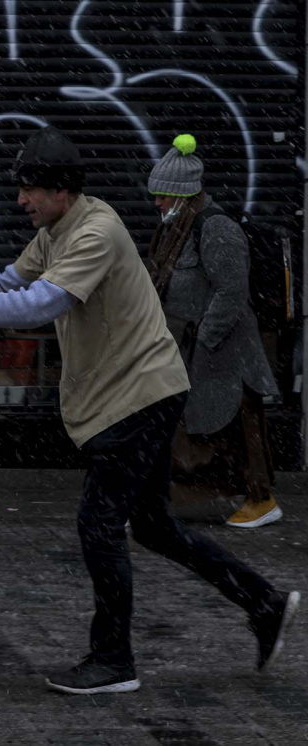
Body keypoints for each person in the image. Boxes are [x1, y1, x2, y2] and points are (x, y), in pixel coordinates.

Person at [0, 126, 300, 695]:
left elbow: (43, 302)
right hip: (137, 393)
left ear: (63, 190)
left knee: (99, 523)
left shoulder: (96, 231)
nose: (21, 200)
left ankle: (114, 659)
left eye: (31, 190)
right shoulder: (56, 228)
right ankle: (263, 603)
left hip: (136, 396)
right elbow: (12, 279)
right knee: (156, 527)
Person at [146, 134, 282, 528]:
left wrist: (206, 337)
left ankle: (262, 501)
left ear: (183, 195)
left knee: (241, 430)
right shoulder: (180, 228)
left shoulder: (216, 228)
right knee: (199, 429)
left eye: (162, 195)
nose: (156, 202)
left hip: (225, 354)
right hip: (194, 351)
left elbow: (232, 290)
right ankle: (159, 497)